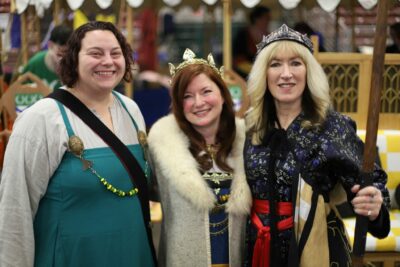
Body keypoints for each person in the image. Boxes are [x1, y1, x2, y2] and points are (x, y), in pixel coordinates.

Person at [0, 21, 156, 266]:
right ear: (72, 59)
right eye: (95, 53)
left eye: (116, 54)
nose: (108, 61)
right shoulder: (41, 118)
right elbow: (14, 211)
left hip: (133, 255)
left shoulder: (131, 111)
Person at [243, 24, 390, 267]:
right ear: (264, 74)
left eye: (296, 63)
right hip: (259, 246)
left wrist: (374, 205)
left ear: (309, 71)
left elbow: (371, 179)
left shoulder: (332, 127)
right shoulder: (251, 126)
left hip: (315, 246)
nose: (286, 73)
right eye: (275, 64)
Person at [147, 48, 252, 266]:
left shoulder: (248, 143)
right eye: (187, 96)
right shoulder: (160, 148)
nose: (198, 102)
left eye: (206, 92)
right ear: (178, 103)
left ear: (223, 95)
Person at [22, 24, 73, 90]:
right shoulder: (34, 65)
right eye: (60, 55)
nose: (64, 59)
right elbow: (19, 91)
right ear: (50, 45)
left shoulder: (75, 65)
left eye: (69, 54)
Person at [233, 5, 271, 78]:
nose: (268, 21)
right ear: (257, 19)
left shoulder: (269, 36)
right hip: (244, 76)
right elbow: (237, 59)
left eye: (269, 19)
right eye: (266, 18)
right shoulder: (243, 35)